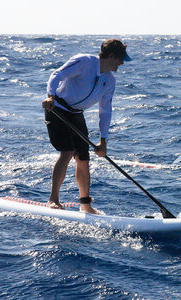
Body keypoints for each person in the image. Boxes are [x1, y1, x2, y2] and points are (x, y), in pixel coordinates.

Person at [42, 38, 131, 214]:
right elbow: (56, 74)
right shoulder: (84, 62)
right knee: (67, 152)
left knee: (83, 158)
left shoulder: (110, 81)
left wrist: (103, 140)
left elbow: (105, 111)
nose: (122, 63)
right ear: (111, 56)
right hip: (57, 108)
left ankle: (85, 205)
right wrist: (50, 96)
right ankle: (53, 199)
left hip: (76, 114)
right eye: (121, 59)